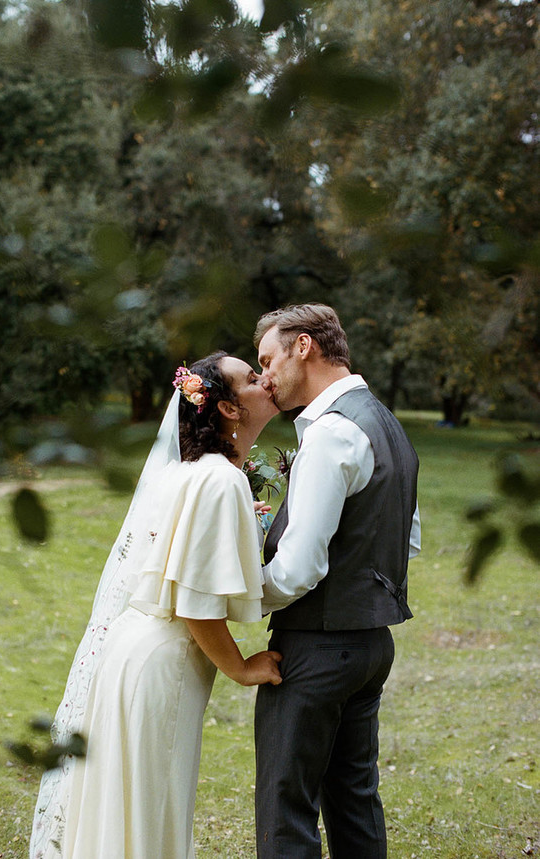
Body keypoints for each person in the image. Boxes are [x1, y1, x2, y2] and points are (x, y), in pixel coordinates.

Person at [30, 351, 282, 859]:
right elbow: (193, 600)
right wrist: (241, 668)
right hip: (160, 662)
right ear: (229, 409)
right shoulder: (218, 479)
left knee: (126, 808)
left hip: (132, 651)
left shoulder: (192, 471)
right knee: (149, 808)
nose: (266, 381)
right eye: (253, 378)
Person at [253, 304, 420, 859]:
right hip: (373, 643)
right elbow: (406, 540)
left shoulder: (330, 433)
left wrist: (240, 597)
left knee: (287, 806)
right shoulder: (385, 422)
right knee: (354, 798)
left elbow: (300, 569)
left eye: (268, 359)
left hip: (317, 646)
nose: (265, 377)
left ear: (304, 346)